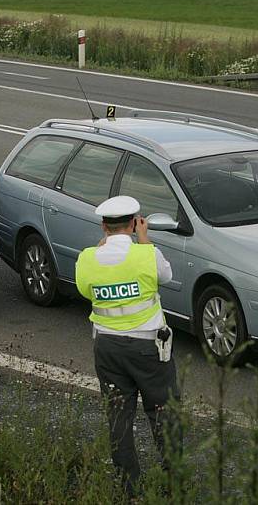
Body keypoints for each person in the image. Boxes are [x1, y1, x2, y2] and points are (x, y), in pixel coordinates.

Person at [75, 195, 180, 495]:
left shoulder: (87, 259)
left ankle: (128, 487)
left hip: (107, 348)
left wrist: (102, 246)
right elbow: (166, 275)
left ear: (103, 226)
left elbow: (86, 289)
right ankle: (173, 483)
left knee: (119, 415)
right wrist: (144, 240)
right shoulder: (146, 254)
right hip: (148, 349)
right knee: (162, 411)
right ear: (134, 224)